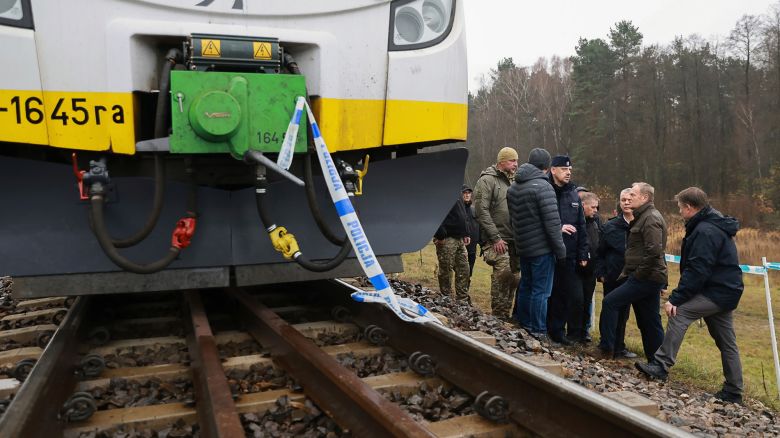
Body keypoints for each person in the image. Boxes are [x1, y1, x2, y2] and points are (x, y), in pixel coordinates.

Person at [636, 187, 744, 404]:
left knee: (680, 312)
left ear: (689, 207)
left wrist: (676, 298)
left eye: (680, 207)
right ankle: (734, 391)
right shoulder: (710, 225)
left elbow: (698, 269)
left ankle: (660, 365)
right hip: (725, 290)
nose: (679, 211)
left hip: (717, 291)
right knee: (727, 341)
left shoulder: (705, 231)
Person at [598, 182, 666, 360]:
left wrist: (637, 274)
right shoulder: (642, 216)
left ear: (644, 198)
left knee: (610, 302)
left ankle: (607, 350)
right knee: (649, 321)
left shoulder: (650, 218)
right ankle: (657, 362)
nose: (629, 199)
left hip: (645, 277)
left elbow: (654, 251)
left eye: (633, 195)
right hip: (646, 276)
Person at [507, 148, 566, 341]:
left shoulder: (514, 187)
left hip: (523, 246)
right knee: (541, 291)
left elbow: (512, 220)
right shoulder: (543, 187)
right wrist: (560, 250)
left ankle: (523, 323)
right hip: (542, 248)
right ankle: (538, 330)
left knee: (526, 286)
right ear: (547, 167)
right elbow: (552, 223)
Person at [474, 147, 520, 319]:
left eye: (516, 161)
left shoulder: (515, 181)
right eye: (512, 161)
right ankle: (498, 317)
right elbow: (481, 211)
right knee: (503, 275)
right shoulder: (487, 181)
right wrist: (495, 238)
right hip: (496, 240)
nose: (516, 164)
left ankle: (505, 317)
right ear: (502, 161)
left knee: (514, 279)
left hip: (514, 240)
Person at [547, 155, 589, 345]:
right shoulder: (545, 189)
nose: (568, 172)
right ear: (553, 170)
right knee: (547, 292)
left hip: (569, 254)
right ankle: (542, 328)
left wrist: (582, 252)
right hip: (548, 251)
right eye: (564, 169)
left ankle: (558, 332)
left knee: (564, 294)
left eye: (570, 170)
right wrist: (558, 229)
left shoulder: (573, 193)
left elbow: (581, 225)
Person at [596, 189, 638, 359]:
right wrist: (601, 272)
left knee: (624, 314)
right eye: (623, 200)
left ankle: (619, 347)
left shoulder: (642, 224)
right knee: (609, 310)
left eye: (629, 199)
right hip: (613, 276)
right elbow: (600, 252)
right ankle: (606, 346)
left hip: (632, 277)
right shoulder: (610, 226)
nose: (626, 202)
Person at [570, 190, 602, 343]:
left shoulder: (596, 222)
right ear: (583, 205)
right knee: (577, 300)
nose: (596, 211)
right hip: (576, 269)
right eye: (593, 207)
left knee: (587, 301)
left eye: (597, 208)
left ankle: (584, 331)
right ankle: (573, 332)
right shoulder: (575, 222)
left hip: (591, 270)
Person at [433, 191, 472, 303]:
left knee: (464, 269)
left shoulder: (456, 188)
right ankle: (446, 299)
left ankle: (462, 300)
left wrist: (466, 232)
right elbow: (434, 212)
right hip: (446, 237)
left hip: (459, 238)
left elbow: (462, 213)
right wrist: (440, 234)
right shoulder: (440, 189)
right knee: (446, 269)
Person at [462, 185, 480, 277]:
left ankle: (466, 289)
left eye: (469, 193)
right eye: (464, 193)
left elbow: (479, 226)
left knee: (470, 270)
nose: (467, 195)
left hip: (472, 247)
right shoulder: (457, 209)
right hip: (460, 246)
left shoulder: (474, 210)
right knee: (459, 270)